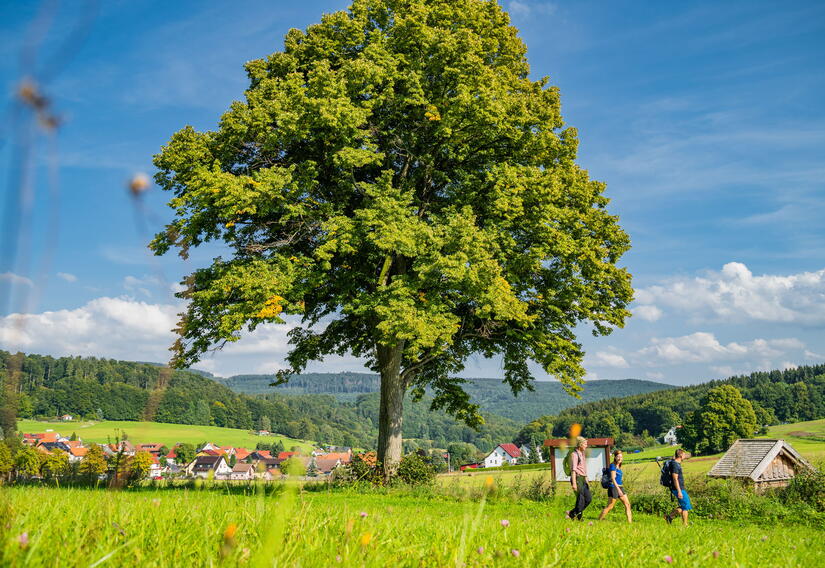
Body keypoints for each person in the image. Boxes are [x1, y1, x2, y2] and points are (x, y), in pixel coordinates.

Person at [598, 449, 632, 523]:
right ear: (615, 457)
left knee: (627, 504)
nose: (620, 458)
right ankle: (599, 519)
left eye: (621, 457)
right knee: (610, 506)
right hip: (613, 487)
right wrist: (618, 490)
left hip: (620, 486)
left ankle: (630, 523)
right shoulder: (612, 466)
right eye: (618, 457)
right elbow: (613, 478)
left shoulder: (618, 466)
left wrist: (620, 488)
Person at [565, 437, 591, 520]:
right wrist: (574, 483)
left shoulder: (582, 454)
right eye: (585, 444)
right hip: (577, 478)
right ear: (580, 444)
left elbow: (583, 468)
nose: (586, 446)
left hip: (583, 478)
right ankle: (578, 517)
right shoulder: (574, 455)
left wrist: (586, 478)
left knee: (588, 499)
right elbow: (573, 470)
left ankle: (572, 513)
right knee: (581, 499)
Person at [665, 448, 692, 526]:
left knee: (684, 505)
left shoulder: (674, 462)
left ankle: (670, 517)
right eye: (683, 454)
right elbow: (675, 478)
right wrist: (679, 491)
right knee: (685, 507)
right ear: (680, 455)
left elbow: (674, 458)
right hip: (678, 489)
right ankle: (685, 525)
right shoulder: (675, 465)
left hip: (678, 488)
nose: (685, 456)